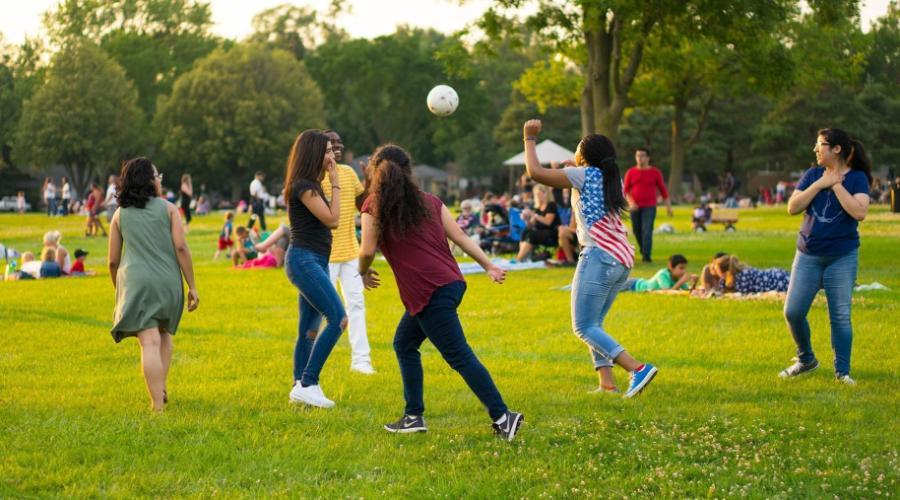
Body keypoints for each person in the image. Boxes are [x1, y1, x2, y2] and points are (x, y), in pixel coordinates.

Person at [358, 144, 523, 441]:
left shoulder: (373, 205)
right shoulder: (430, 201)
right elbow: (459, 235)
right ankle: (413, 416)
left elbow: (367, 249)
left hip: (428, 290)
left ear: (376, 170)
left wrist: (361, 272)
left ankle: (503, 416)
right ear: (408, 172)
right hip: (448, 283)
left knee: (459, 355)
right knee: (404, 344)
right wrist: (488, 265)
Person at [521, 118, 658, 397]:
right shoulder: (610, 178)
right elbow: (582, 189)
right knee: (594, 324)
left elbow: (535, 173)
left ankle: (637, 368)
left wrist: (529, 138)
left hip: (599, 256)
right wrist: (571, 171)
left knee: (582, 326)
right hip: (621, 259)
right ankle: (607, 383)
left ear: (584, 156)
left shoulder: (582, 176)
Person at [108, 157, 199, 412]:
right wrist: (192, 285)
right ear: (149, 180)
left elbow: (113, 261)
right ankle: (161, 388)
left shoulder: (120, 214)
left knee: (148, 342)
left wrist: (120, 288)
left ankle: (156, 404)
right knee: (163, 335)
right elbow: (181, 247)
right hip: (167, 280)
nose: (160, 179)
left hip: (135, 283)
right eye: (157, 175)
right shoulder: (169, 209)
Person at [781, 128, 871, 385]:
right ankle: (806, 359)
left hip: (841, 256)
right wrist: (821, 183)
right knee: (793, 311)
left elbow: (859, 212)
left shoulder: (857, 179)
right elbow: (792, 207)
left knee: (840, 315)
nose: (815, 149)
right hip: (807, 254)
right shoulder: (811, 175)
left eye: (820, 145)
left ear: (836, 149)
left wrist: (837, 186)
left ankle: (842, 372)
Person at [282, 129, 346, 408]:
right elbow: (333, 219)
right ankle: (308, 382)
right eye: (328, 151)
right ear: (313, 154)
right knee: (339, 318)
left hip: (314, 260)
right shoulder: (304, 186)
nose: (332, 156)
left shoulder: (310, 185)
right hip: (303, 260)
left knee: (309, 330)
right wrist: (336, 182)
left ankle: (300, 385)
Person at [321, 129, 375, 375]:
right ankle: (316, 361)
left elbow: (364, 205)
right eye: (333, 143)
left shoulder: (348, 172)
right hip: (323, 255)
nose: (339, 146)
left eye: (340, 142)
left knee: (357, 304)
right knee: (324, 311)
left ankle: (361, 361)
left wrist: (370, 182)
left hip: (351, 253)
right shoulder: (314, 177)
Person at [623, 148, 672, 263]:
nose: (640, 158)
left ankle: (646, 256)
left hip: (649, 206)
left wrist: (669, 208)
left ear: (648, 158)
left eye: (642, 156)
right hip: (634, 207)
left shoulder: (655, 172)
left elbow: (663, 191)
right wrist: (631, 202)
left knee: (647, 230)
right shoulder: (630, 172)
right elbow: (625, 191)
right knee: (637, 231)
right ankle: (643, 249)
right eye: (637, 156)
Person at [515, 184, 559, 262]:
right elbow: (531, 225)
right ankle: (522, 257)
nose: (537, 196)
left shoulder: (551, 205)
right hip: (540, 232)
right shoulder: (538, 207)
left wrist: (534, 215)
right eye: (536, 194)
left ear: (546, 194)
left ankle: (518, 258)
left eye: (539, 194)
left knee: (532, 235)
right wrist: (526, 219)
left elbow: (548, 222)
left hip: (551, 232)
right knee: (525, 231)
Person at [710, 255, 789, 294]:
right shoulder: (737, 274)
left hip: (777, 281)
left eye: (718, 271)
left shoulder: (741, 277)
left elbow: (742, 293)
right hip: (776, 274)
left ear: (725, 272)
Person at [621, 254, 696, 292]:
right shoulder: (663, 274)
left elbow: (686, 291)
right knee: (610, 287)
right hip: (633, 285)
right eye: (681, 268)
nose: (683, 271)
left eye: (684, 268)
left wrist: (694, 283)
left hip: (636, 283)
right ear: (671, 267)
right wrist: (681, 281)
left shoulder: (679, 277)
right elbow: (667, 291)